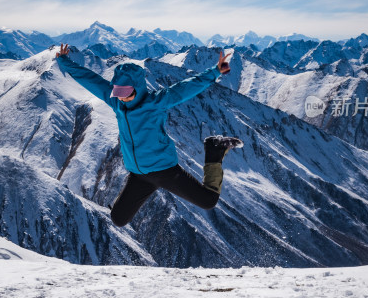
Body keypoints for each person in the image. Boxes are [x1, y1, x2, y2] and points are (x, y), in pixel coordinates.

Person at [55, 43, 243, 227]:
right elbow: (89, 79)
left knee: (208, 201)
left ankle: (214, 149)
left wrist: (217, 70)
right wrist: (64, 61)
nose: (121, 97)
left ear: (138, 88)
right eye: (118, 91)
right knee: (118, 220)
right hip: (139, 175)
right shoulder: (116, 103)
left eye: (126, 92)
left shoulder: (156, 103)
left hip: (165, 171)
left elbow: (187, 87)